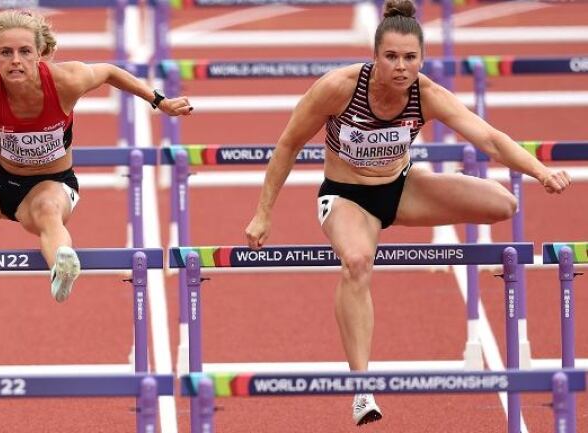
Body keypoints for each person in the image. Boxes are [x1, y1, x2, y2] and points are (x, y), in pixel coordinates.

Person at [244, 0, 570, 426]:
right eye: (392, 57)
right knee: (358, 261)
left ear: (422, 59)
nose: (401, 67)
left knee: (502, 204)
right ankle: (361, 388)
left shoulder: (427, 94)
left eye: (410, 58)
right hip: (346, 196)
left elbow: (488, 138)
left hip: (401, 187)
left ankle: (449, 180)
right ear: (375, 56)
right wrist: (262, 213)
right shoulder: (338, 88)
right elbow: (287, 144)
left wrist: (540, 172)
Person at [0, 9, 193, 302]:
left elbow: (109, 72)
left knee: (46, 212)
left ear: (40, 54)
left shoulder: (66, 80)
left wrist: (159, 101)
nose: (15, 61)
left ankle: (63, 265)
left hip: (51, 183)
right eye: (6, 53)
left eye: (25, 52)